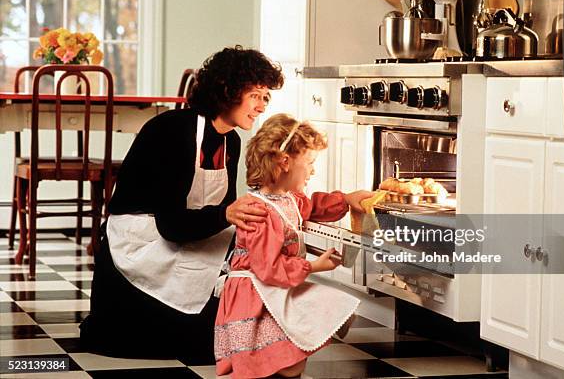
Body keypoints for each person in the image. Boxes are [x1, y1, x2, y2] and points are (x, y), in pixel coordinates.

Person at [79, 46, 284, 360]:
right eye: (255, 94)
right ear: (227, 90)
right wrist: (228, 215)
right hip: (140, 245)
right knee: (211, 345)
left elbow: (220, 215)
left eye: (266, 97)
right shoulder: (171, 131)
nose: (261, 106)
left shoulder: (231, 140)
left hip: (184, 236)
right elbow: (172, 225)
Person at [214, 114, 374, 378]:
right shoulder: (259, 212)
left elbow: (315, 206)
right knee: (274, 359)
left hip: (274, 288)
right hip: (254, 296)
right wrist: (312, 265)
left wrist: (346, 199)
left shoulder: (289, 199)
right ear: (285, 162)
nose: (313, 170)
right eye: (310, 163)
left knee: (288, 355)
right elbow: (268, 267)